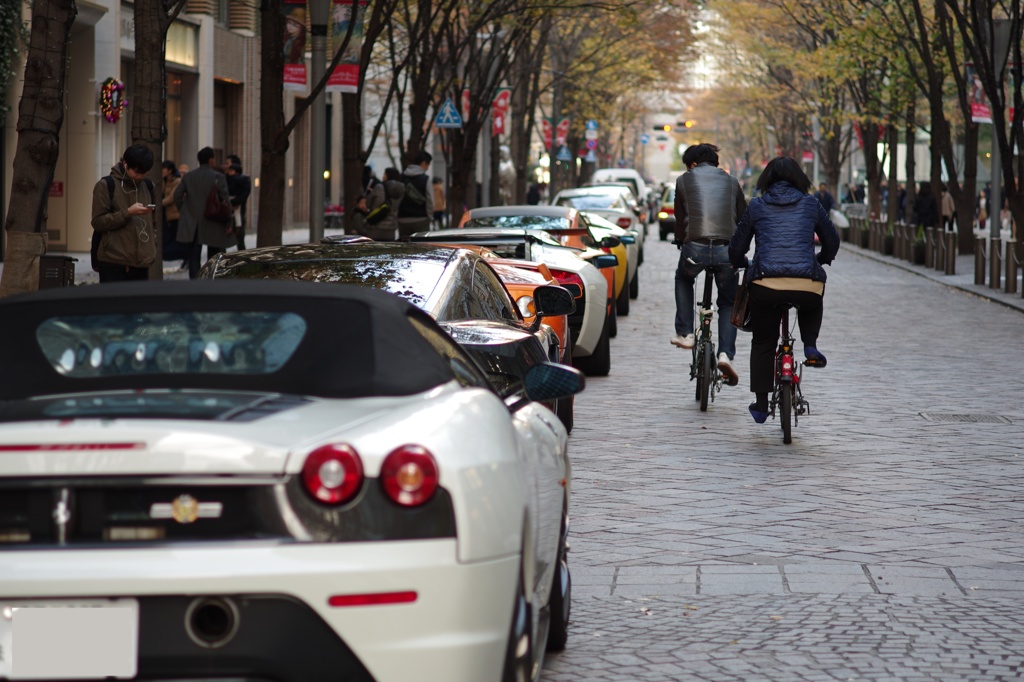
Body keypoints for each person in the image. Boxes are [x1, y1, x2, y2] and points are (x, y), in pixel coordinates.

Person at [728, 156, 840, 424]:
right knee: (812, 299)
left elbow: (737, 247)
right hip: (805, 282)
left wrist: (741, 263)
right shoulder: (811, 203)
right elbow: (832, 240)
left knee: (764, 341)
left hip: (765, 283)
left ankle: (761, 404)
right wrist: (821, 259)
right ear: (800, 179)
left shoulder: (756, 205)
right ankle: (810, 346)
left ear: (766, 179)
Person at [671, 143, 747, 386]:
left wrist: (680, 240)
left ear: (692, 164)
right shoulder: (733, 181)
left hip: (695, 248)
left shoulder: (684, 180)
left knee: (683, 278)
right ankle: (726, 354)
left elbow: (680, 217)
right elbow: (743, 216)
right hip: (727, 251)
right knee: (727, 301)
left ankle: (684, 333)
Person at [91, 144, 158, 282]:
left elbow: (153, 222)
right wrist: (127, 213)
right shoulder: (106, 185)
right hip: (113, 260)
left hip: (141, 262)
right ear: (125, 164)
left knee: (137, 304)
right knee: (113, 303)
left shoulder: (148, 186)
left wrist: (153, 242)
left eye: (144, 172)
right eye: (137, 172)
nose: (140, 176)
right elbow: (98, 222)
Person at [174, 146, 232, 278]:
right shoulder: (218, 177)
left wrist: (184, 210)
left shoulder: (189, 176)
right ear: (211, 160)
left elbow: (177, 195)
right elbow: (225, 200)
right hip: (213, 220)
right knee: (213, 254)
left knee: (194, 254)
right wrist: (229, 221)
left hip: (192, 220)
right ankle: (211, 280)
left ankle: (195, 282)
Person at [396, 151, 434, 239]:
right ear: (424, 163)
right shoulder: (425, 179)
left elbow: (397, 199)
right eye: (428, 165)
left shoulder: (401, 178)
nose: (427, 168)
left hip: (402, 219)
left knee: (404, 248)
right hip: (421, 219)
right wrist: (429, 217)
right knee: (421, 247)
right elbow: (430, 201)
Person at [160, 160, 189, 265]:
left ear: (170, 170)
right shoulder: (163, 181)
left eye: (164, 168)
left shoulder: (177, 181)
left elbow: (171, 198)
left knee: (177, 241)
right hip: (166, 216)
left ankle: (186, 257)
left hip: (175, 215)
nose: (162, 171)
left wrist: (158, 204)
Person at [225, 158, 251, 250]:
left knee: (238, 237)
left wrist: (232, 202)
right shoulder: (244, 180)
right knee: (239, 237)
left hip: (234, 209)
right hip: (235, 210)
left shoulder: (234, 180)